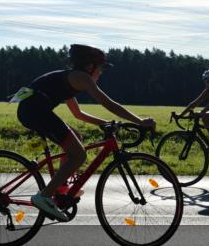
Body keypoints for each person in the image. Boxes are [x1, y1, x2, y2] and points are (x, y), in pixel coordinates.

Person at [14, 44, 155, 222]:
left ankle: (60, 188)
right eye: (101, 67)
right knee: (78, 155)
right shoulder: (82, 77)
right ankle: (44, 196)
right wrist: (140, 121)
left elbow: (78, 114)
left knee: (76, 138)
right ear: (90, 66)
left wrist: (105, 123)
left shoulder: (69, 79)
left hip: (32, 109)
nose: (101, 72)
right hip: (35, 111)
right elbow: (108, 103)